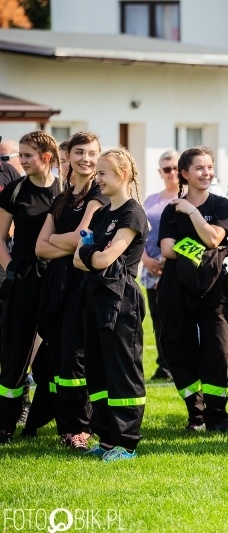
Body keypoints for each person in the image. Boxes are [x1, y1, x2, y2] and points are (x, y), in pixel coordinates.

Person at [74, 147, 147, 462]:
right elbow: (79, 260)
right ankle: (106, 438)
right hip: (95, 296)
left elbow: (101, 256)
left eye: (102, 173)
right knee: (98, 368)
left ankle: (126, 443)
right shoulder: (103, 213)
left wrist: (89, 252)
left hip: (121, 300)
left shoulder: (132, 213)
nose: (97, 178)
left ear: (123, 175)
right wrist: (91, 255)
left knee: (122, 370)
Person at [34, 132, 107, 449]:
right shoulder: (62, 198)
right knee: (58, 357)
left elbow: (83, 239)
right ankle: (65, 424)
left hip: (82, 285)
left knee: (75, 359)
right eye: (79, 152)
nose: (86, 159)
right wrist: (64, 242)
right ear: (69, 157)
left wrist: (58, 241)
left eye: (92, 153)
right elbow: (39, 246)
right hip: (55, 286)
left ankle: (80, 428)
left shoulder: (98, 196)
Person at [158, 147, 228, 433]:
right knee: (179, 347)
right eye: (200, 168)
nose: (207, 173)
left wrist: (191, 211)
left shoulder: (222, 205)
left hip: (213, 288)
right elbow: (166, 249)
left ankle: (218, 417)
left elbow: (214, 238)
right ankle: (196, 414)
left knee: (219, 350)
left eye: (209, 167)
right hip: (176, 288)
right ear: (185, 174)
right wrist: (201, 250)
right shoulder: (170, 210)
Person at [0, 131, 62, 444]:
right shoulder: (15, 190)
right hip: (24, 279)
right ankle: (5, 423)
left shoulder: (66, 191)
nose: (21, 161)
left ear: (47, 157)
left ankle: (53, 422)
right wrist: (11, 267)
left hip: (59, 280)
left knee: (58, 355)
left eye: (27, 155)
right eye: (20, 155)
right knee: (15, 352)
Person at [140, 150, 180, 382]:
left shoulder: (186, 197)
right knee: (157, 320)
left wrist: (169, 259)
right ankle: (163, 365)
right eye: (167, 169)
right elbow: (140, 232)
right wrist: (145, 259)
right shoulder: (151, 200)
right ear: (160, 172)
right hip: (151, 270)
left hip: (176, 268)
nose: (172, 173)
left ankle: (177, 364)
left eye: (175, 168)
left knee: (176, 319)